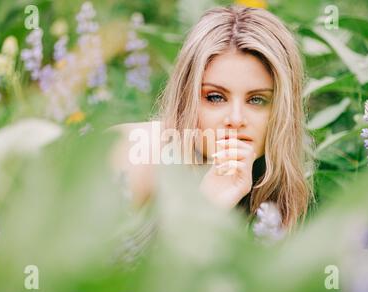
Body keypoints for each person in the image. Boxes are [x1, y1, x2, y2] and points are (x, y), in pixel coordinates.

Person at [109, 5, 315, 231]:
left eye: (257, 100)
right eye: (215, 97)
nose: (236, 120)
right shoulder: (135, 154)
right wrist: (206, 209)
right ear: (186, 99)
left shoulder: (272, 184)